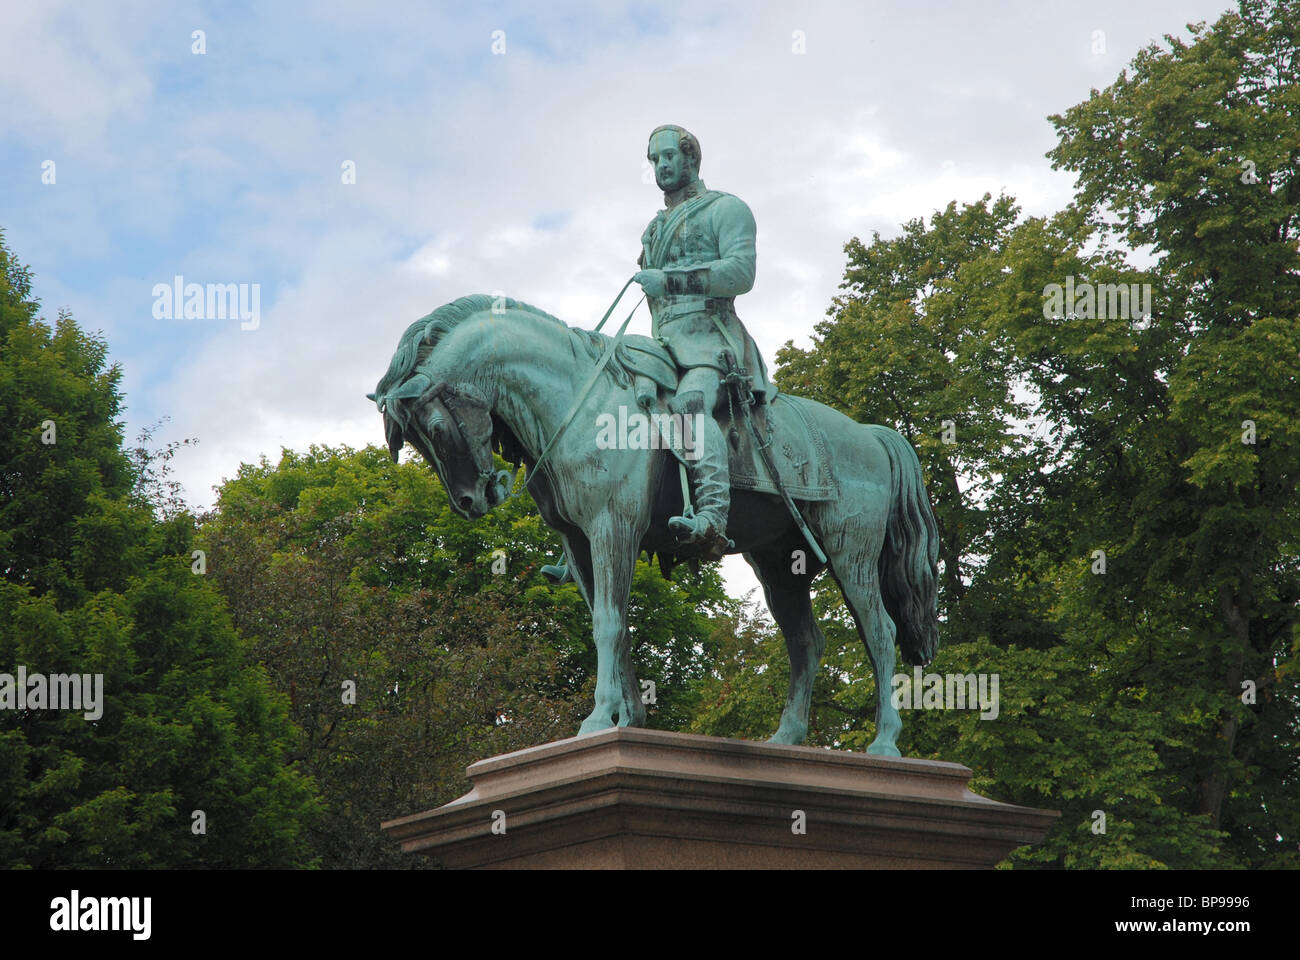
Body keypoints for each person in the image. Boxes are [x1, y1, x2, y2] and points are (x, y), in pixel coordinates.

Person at [632, 124, 773, 560]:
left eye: (670, 156)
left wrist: (668, 280)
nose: (662, 166)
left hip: (713, 341)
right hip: (665, 343)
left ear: (692, 158)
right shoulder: (653, 229)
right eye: (655, 160)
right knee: (615, 399)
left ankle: (712, 517)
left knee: (692, 402)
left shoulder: (726, 208)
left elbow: (740, 274)